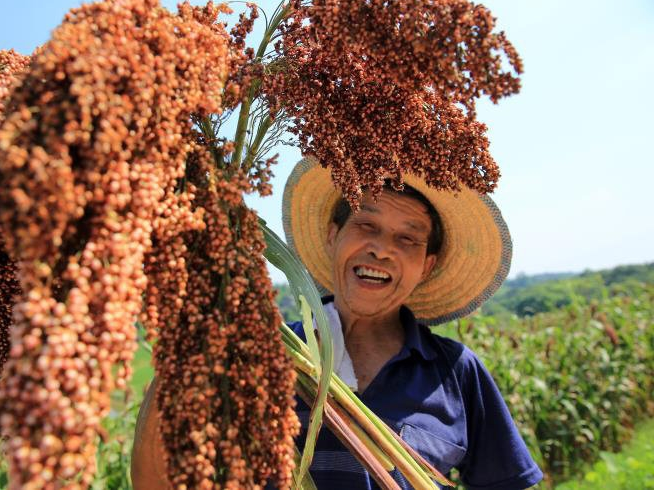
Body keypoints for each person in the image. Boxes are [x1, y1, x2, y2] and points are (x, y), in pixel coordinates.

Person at [132, 157, 544, 489]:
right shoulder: (264, 359)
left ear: (427, 265)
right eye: (366, 225)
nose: (381, 250)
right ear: (333, 236)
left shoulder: (456, 372)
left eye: (407, 239)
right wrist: (184, 338)